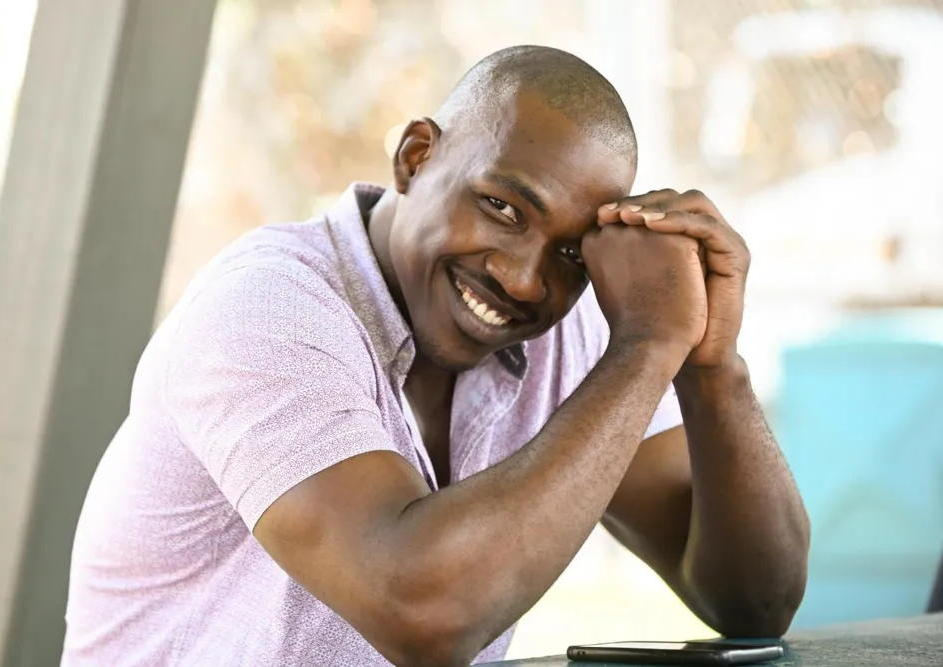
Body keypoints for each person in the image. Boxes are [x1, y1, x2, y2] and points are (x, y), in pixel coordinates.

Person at [61, 45, 810, 667]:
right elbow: (423, 612)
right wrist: (646, 348)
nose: (525, 279)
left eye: (572, 254)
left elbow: (757, 602)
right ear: (416, 158)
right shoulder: (265, 309)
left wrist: (710, 367)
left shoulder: (571, 331)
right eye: (502, 207)